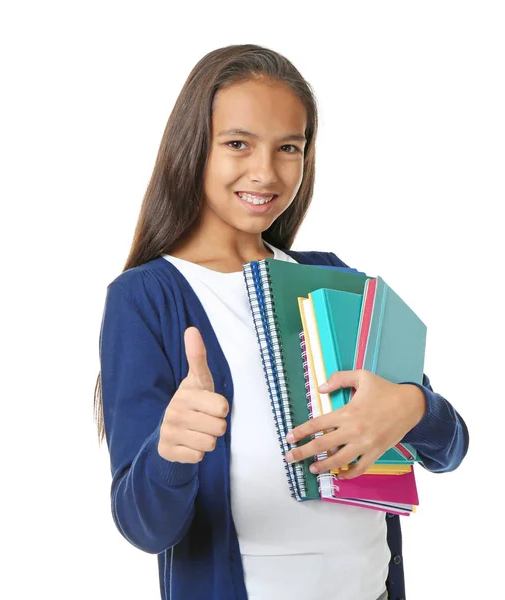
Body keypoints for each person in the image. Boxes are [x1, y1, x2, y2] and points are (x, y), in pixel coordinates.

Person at [95, 43, 469, 600]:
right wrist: (170, 451)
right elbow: (145, 526)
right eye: (237, 144)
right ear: (193, 146)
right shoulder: (147, 297)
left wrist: (413, 406)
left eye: (288, 147)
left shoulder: (334, 278)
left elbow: (450, 447)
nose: (265, 172)